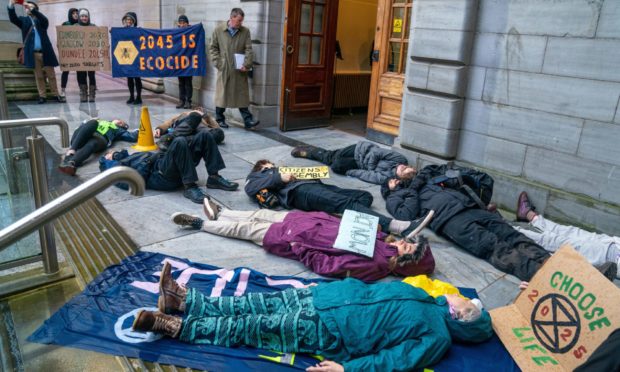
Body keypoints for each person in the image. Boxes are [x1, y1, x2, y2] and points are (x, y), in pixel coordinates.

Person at [131, 261, 493, 372]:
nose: (461, 298)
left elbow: (394, 361)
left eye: (467, 305)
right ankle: (182, 300)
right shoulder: (425, 295)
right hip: (325, 297)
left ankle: (175, 326)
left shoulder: (438, 338)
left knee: (252, 328)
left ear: (464, 319)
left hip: (330, 329)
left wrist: (346, 369)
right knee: (254, 305)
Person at [382, 164, 551, 281]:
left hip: (469, 207)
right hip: (449, 220)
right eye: (399, 171)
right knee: (494, 247)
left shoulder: (424, 177)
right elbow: (406, 214)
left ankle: (551, 264)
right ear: (392, 183)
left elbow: (448, 172)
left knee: (511, 234)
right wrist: (404, 190)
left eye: (405, 166)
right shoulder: (395, 196)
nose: (404, 167)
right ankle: (540, 277)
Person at [171, 206, 435, 281]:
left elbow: (329, 266)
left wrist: (300, 248)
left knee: (245, 229)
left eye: (408, 248)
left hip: (296, 239)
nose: (403, 242)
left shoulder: (376, 264)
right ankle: (221, 213)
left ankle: (200, 223)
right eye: (408, 242)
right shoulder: (382, 241)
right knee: (256, 215)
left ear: (405, 262)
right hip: (304, 222)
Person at [245, 159, 434, 239]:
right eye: (269, 167)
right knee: (347, 204)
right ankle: (397, 227)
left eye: (273, 166)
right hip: (301, 192)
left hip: (316, 188)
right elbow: (249, 187)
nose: (274, 167)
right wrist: (278, 177)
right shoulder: (257, 178)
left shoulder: (278, 172)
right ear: (261, 169)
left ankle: (347, 217)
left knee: (364, 196)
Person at [99, 113, 238, 203]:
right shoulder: (114, 166)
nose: (113, 152)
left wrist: (117, 154)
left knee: (205, 135)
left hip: (169, 163)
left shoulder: (125, 157)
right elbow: (121, 180)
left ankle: (214, 177)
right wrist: (106, 160)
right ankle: (190, 186)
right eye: (110, 154)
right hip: (161, 176)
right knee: (180, 142)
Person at [514, 191, 620, 278]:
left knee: (555, 242)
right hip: (613, 244)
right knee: (571, 232)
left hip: (607, 258)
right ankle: (531, 217)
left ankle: (506, 229)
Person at [208, 8, 259, 130]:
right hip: (225, 68)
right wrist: (219, 63)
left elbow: (248, 49)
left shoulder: (245, 31)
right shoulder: (219, 30)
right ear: (232, 18)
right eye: (239, 20)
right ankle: (219, 119)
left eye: (242, 21)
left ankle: (248, 120)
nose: (240, 23)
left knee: (241, 94)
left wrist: (246, 64)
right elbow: (212, 48)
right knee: (222, 94)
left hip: (239, 68)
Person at [7, 0, 64, 104]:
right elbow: (13, 18)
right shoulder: (24, 21)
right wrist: (11, 5)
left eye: (31, 7)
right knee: (39, 76)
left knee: (51, 75)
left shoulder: (41, 20)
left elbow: (45, 20)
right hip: (33, 54)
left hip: (46, 52)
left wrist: (33, 9)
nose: (28, 8)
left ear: (35, 9)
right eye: (27, 7)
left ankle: (56, 94)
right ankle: (42, 96)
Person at [291, 141, 416, 185]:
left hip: (358, 163)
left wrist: (350, 172)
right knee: (334, 156)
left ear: (400, 177)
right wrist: (371, 168)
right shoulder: (400, 159)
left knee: (336, 165)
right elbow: (376, 153)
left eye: (404, 170)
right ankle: (309, 152)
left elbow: (367, 176)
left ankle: (311, 151)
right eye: (407, 167)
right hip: (362, 149)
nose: (404, 166)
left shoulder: (388, 177)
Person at [59, 118, 138, 175]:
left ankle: (71, 162)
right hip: (82, 136)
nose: (121, 122)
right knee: (93, 122)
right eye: (120, 121)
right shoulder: (100, 120)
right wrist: (89, 121)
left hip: (100, 138)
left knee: (92, 144)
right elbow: (83, 127)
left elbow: (132, 137)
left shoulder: (119, 130)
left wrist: (138, 131)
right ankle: (72, 150)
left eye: (123, 124)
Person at [154, 109, 225, 145]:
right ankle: (170, 139)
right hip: (186, 126)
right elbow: (169, 122)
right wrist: (160, 129)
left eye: (200, 110)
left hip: (199, 131)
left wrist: (206, 116)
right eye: (197, 109)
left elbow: (217, 128)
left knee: (219, 133)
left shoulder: (204, 119)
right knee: (194, 119)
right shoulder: (185, 114)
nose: (198, 110)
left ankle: (191, 140)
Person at [75, 8, 97, 102]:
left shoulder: (93, 26)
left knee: (91, 75)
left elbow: (100, 38)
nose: (84, 18)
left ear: (88, 17)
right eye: (82, 16)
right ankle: (83, 93)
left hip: (91, 55)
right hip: (79, 55)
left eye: (86, 16)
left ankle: (92, 94)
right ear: (80, 17)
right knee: (81, 75)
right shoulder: (74, 27)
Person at [122, 12, 142, 105]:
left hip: (136, 55)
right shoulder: (123, 30)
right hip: (127, 55)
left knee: (137, 78)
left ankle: (138, 97)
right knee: (129, 78)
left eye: (130, 20)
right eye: (127, 20)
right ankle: (131, 96)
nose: (128, 21)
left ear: (134, 21)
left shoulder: (138, 30)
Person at [59, 7, 78, 99]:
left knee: (80, 71)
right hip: (68, 52)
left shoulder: (81, 24)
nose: (75, 14)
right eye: (73, 13)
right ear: (70, 14)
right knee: (65, 71)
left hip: (79, 52)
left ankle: (82, 90)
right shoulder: (65, 24)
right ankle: (63, 90)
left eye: (76, 13)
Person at [176, 15, 194, 109]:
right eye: (180, 23)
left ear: (187, 23)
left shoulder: (192, 32)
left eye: (184, 22)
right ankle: (181, 100)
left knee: (188, 83)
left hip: (189, 62)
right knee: (181, 83)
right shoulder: (176, 33)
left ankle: (188, 101)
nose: (182, 24)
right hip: (180, 62)